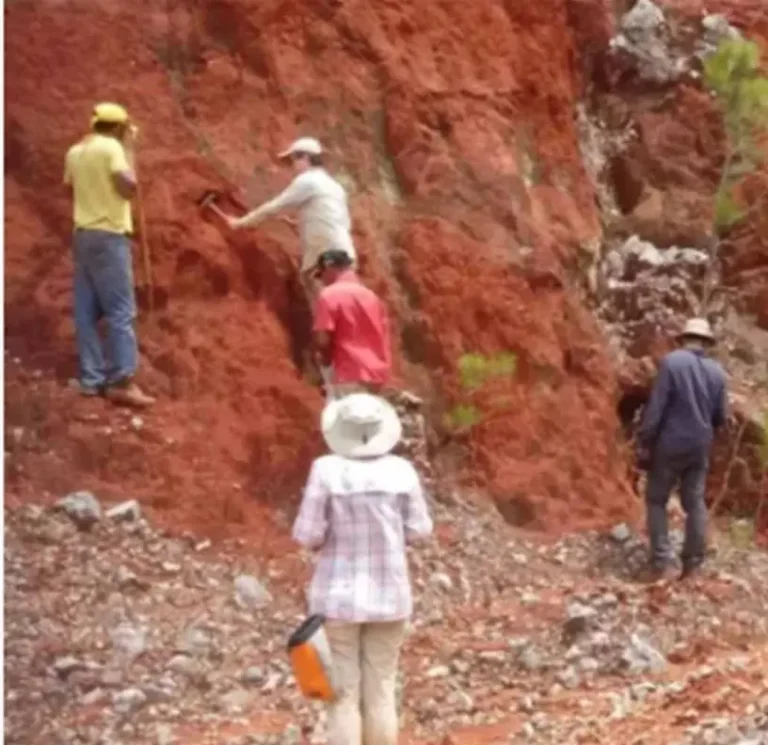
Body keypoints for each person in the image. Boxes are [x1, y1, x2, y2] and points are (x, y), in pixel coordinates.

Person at [292, 393, 433, 745]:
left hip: (338, 599)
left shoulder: (326, 470)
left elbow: (307, 535)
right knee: (382, 689)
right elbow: (420, 531)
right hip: (391, 597)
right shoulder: (402, 471)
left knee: (342, 696)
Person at [64, 102, 154, 408]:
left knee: (86, 312)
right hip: (109, 235)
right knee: (120, 311)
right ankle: (122, 381)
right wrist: (128, 150)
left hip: (83, 234)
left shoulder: (75, 152)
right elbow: (129, 187)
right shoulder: (112, 149)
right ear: (118, 128)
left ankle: (91, 379)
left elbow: (70, 190)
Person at [637, 317, 727, 581]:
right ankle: (693, 566)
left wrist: (645, 441)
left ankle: (662, 563)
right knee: (695, 503)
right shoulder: (717, 372)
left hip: (670, 443)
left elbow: (656, 409)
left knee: (656, 499)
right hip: (700, 445)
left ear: (683, 338)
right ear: (706, 342)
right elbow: (721, 416)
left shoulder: (672, 363)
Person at [224, 137, 356, 303]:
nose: (293, 166)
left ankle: (323, 328)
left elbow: (275, 206)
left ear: (305, 158)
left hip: (325, 257)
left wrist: (240, 222)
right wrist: (299, 224)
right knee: (344, 304)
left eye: (294, 159)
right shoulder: (334, 186)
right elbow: (340, 221)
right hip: (346, 253)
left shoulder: (307, 180)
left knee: (323, 303)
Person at [312, 250, 392, 398]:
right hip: (376, 376)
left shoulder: (329, 295)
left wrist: (326, 369)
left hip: (348, 374)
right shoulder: (372, 297)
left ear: (329, 267)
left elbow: (323, 341)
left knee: (347, 419)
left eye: (321, 274)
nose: (322, 280)